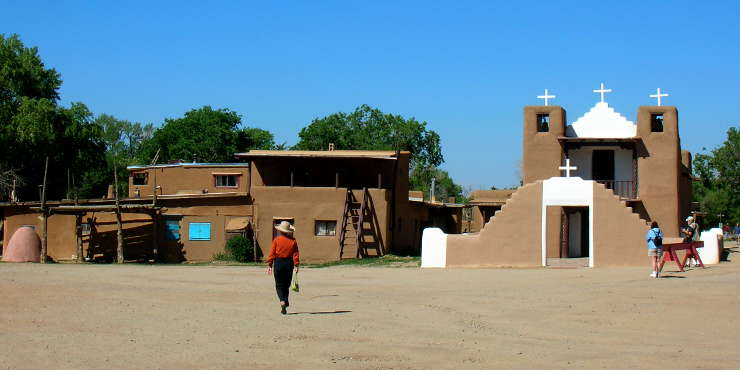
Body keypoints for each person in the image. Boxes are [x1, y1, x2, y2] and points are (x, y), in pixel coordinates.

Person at [266, 221, 300, 315]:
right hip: (289, 263)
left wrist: (270, 264)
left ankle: (282, 301)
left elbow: (272, 253)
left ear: (280, 231)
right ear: (288, 231)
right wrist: (296, 265)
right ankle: (286, 299)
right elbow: (295, 254)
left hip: (279, 263)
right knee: (286, 284)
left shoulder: (276, 240)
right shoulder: (293, 241)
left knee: (279, 284)